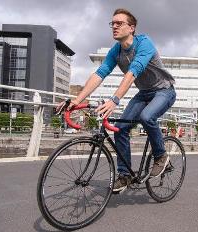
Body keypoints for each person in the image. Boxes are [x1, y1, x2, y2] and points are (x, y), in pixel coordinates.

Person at [56, 8, 176, 192]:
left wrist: (114, 100)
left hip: (164, 91)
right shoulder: (116, 51)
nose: (114, 26)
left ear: (132, 28)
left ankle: (161, 156)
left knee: (147, 117)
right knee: (120, 129)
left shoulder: (144, 43)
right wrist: (76, 100)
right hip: (144, 93)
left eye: (119, 23)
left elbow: (133, 72)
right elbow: (100, 73)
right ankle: (124, 175)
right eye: (113, 23)